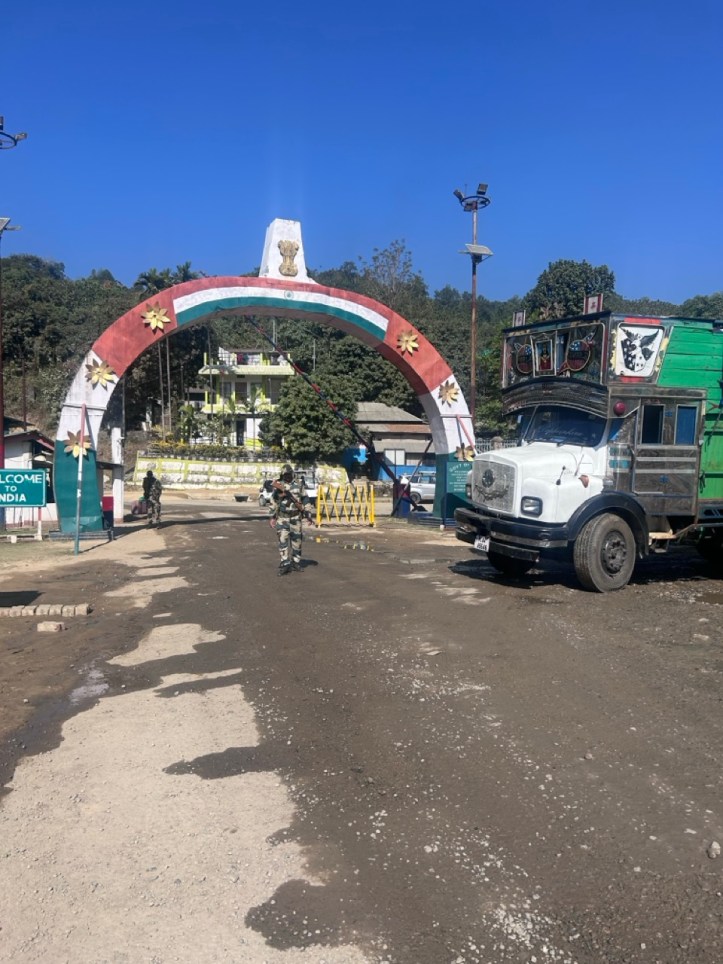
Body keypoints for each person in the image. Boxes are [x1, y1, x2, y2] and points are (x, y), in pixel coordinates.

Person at [269, 464, 312, 575]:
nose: (287, 476)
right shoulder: (280, 485)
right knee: (283, 540)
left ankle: (295, 563)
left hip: (296, 518)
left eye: (289, 474)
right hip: (282, 518)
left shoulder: (299, 484)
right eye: (285, 475)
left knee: (297, 542)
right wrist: (272, 517)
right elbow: (273, 501)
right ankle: (285, 563)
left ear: (292, 473)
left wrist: (308, 513)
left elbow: (305, 499)